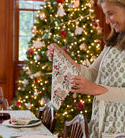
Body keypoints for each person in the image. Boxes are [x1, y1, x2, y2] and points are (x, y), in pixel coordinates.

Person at [47, 0, 125, 137]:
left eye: (110, 14)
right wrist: (63, 57)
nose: (107, 21)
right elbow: (91, 74)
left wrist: (96, 89)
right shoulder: (113, 43)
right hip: (101, 121)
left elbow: (94, 85)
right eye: (105, 15)